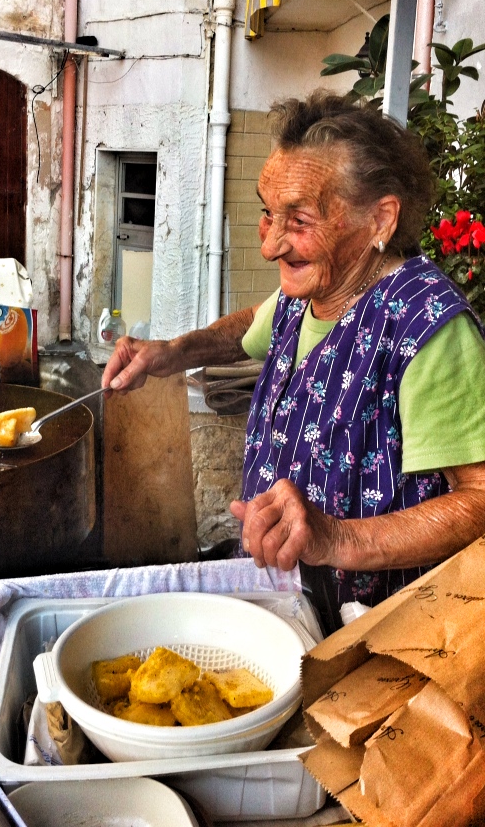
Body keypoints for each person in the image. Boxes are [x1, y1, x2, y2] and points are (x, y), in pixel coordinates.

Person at [102, 92, 485, 607]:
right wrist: (173, 351)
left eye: (299, 221)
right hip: (278, 601)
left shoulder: (426, 326)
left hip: (362, 633)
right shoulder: (305, 292)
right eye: (268, 213)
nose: (270, 245)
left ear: (381, 220)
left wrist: (334, 538)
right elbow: (248, 329)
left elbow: (479, 502)